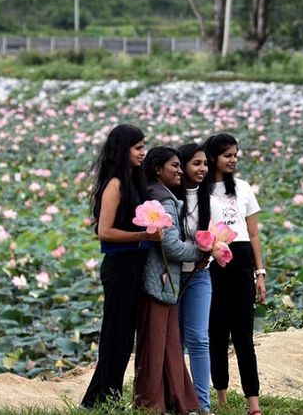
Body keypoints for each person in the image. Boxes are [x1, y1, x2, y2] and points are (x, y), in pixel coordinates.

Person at [82, 124, 161, 408]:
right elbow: (104, 231)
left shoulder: (133, 182)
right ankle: (105, 397)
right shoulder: (115, 184)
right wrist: (143, 235)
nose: (143, 152)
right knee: (116, 334)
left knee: (124, 335)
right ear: (122, 150)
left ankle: (99, 398)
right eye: (138, 148)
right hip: (119, 267)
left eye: (143, 147)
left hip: (134, 266)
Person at [134, 146, 204, 414]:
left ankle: (175, 401)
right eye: (174, 166)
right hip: (159, 281)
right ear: (157, 170)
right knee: (157, 344)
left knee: (168, 343)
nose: (179, 170)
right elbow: (171, 247)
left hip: (161, 281)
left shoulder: (155, 195)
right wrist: (203, 250)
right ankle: (151, 404)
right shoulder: (162, 201)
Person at [203, 133, 266, 415]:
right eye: (228, 155)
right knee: (215, 332)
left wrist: (260, 272)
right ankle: (221, 399)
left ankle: (253, 403)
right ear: (214, 157)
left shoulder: (243, 188)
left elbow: (253, 233)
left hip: (240, 261)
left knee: (243, 336)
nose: (233, 160)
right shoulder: (199, 190)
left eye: (235, 155)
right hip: (211, 261)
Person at [175, 143, 213, 415]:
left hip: (200, 274)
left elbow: (217, 235)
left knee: (199, 338)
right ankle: (179, 401)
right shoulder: (168, 198)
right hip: (173, 277)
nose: (202, 169)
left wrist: (211, 251)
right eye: (196, 164)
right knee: (173, 341)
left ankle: (202, 406)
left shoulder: (208, 198)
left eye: (205, 164)